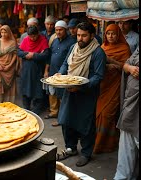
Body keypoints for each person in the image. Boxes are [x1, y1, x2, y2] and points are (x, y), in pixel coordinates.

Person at [55, 22, 106, 167]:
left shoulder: (98, 53)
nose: (80, 38)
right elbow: (66, 63)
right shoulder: (73, 47)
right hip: (69, 90)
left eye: (84, 36)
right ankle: (70, 148)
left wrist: (81, 86)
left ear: (91, 35)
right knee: (66, 120)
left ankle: (86, 153)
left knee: (86, 124)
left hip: (86, 94)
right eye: (78, 35)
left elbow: (98, 76)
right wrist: (61, 73)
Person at [94, 24, 132, 154]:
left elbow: (127, 67)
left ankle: (106, 145)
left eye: (113, 34)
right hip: (102, 85)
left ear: (118, 35)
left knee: (107, 114)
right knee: (97, 113)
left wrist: (113, 63)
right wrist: (106, 65)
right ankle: (97, 142)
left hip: (116, 85)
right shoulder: (102, 47)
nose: (110, 36)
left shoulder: (124, 48)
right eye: (108, 33)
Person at [44, 20, 76, 125]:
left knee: (62, 95)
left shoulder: (71, 42)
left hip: (64, 72)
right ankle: (54, 112)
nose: (58, 32)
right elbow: (49, 57)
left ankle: (62, 118)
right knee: (52, 93)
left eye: (60, 30)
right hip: (53, 70)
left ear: (65, 30)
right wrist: (46, 70)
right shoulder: (54, 41)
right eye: (56, 30)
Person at [114, 47, 139, 180]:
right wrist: (130, 68)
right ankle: (122, 177)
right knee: (126, 147)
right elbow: (126, 64)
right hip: (130, 105)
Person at [18, 26, 50, 114]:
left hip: (38, 70)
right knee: (26, 89)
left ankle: (36, 111)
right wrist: (28, 54)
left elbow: (46, 55)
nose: (32, 38)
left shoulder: (42, 40)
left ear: (38, 34)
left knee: (37, 90)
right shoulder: (26, 40)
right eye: (30, 36)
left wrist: (33, 55)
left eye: (34, 36)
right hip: (26, 71)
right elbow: (19, 52)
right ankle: (27, 109)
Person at [0, 25, 18, 103]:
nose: (3, 34)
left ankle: (9, 104)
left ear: (9, 33)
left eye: (5, 32)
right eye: (2, 32)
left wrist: (9, 66)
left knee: (11, 87)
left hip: (10, 69)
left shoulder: (12, 42)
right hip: (0, 68)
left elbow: (15, 55)